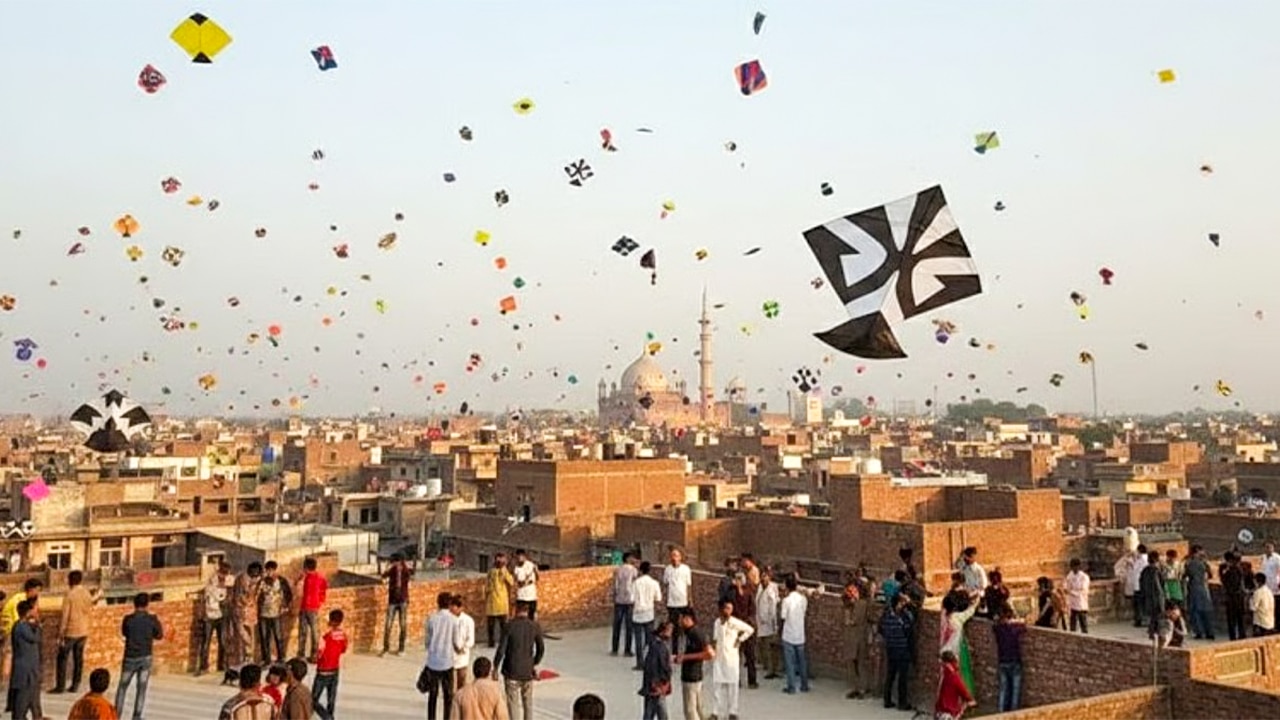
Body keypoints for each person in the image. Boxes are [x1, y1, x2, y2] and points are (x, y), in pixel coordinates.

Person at [494, 600, 544, 720]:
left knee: (513, 704)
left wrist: (495, 667)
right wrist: (534, 662)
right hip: (527, 670)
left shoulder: (509, 626)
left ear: (515, 610)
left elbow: (501, 650)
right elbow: (541, 649)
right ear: (527, 611)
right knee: (528, 703)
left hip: (512, 670)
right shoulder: (534, 626)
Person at [116, 593, 162, 720]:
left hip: (130, 656)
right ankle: (137, 716)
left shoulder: (128, 619)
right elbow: (159, 635)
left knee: (122, 687)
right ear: (147, 604)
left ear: (134, 604)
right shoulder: (152, 619)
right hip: (145, 656)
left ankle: (116, 715)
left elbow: (124, 633)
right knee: (141, 688)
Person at [54, 570, 100, 694]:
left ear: (70, 580)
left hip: (71, 631)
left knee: (62, 658)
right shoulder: (86, 593)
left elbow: (65, 615)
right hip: (83, 630)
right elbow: (91, 605)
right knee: (78, 658)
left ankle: (60, 686)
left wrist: (60, 633)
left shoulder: (70, 595)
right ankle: (75, 685)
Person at [0, 578, 40, 713]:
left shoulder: (21, 599)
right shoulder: (20, 601)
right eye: (37, 590)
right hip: (13, 633)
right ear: (31, 589)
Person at [710, 600, 752, 720]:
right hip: (719, 659)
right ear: (721, 609)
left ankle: (733, 712)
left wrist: (740, 639)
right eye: (726, 608)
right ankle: (715, 712)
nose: (728, 611)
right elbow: (715, 638)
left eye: (730, 609)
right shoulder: (717, 623)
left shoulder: (735, 622)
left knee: (733, 687)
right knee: (717, 686)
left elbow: (749, 630)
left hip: (732, 659)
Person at [424, 592, 459, 720]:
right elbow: (456, 641)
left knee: (432, 694)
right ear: (449, 604)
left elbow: (427, 641)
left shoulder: (431, 618)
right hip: (447, 661)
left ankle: (431, 718)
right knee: (448, 695)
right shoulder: (454, 620)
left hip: (433, 661)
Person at [672, 610, 711, 720]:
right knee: (698, 708)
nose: (679, 622)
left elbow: (709, 653)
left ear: (687, 619)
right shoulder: (688, 633)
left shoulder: (695, 633)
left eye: (681, 619)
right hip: (691, 675)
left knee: (690, 710)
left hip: (692, 676)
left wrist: (685, 657)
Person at [940, 591, 979, 696]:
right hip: (954, 652)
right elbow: (969, 612)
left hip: (945, 651)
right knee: (958, 678)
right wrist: (975, 602)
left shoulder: (944, 616)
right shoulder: (956, 617)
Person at [878, 593, 913, 712]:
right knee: (902, 678)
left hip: (890, 647)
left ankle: (887, 700)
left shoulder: (886, 614)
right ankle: (902, 702)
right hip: (902, 648)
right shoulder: (903, 616)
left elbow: (880, 629)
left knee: (890, 675)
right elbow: (909, 630)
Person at [312, 609, 348, 720]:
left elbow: (318, 655)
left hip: (323, 670)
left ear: (331, 621)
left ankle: (327, 717)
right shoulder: (343, 636)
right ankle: (330, 715)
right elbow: (343, 650)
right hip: (334, 669)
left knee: (313, 700)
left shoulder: (325, 638)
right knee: (331, 699)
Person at [9, 599, 41, 720]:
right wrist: (38, 625)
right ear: (27, 612)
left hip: (29, 672)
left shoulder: (22, 626)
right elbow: (35, 638)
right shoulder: (22, 627)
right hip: (25, 673)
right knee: (21, 707)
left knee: (33, 704)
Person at [198, 562, 231, 676]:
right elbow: (220, 597)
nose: (224, 576)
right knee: (206, 642)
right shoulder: (212, 582)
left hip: (221, 615)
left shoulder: (225, 582)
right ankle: (203, 666)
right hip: (210, 615)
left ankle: (222, 665)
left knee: (223, 641)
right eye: (223, 573)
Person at [840, 579, 871, 700]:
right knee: (852, 664)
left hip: (859, 637)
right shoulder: (848, 605)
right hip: (852, 637)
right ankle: (855, 688)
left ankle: (861, 688)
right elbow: (846, 620)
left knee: (860, 664)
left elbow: (854, 620)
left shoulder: (862, 604)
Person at [778, 575, 809, 694]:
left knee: (790, 662)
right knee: (802, 661)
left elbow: (783, 618)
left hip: (789, 634)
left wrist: (780, 631)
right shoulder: (803, 599)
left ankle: (791, 686)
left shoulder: (786, 600)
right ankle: (804, 685)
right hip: (800, 634)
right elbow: (804, 613)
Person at [257, 561, 292, 664]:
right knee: (264, 637)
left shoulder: (281, 581)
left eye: (272, 570)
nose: (270, 572)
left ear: (275, 570)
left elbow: (288, 594)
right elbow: (257, 596)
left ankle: (281, 658)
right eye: (268, 570)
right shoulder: (262, 582)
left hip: (276, 613)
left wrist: (285, 606)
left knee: (278, 636)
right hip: (263, 613)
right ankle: (266, 659)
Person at [993, 606, 1025, 712]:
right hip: (1014, 660)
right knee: (1015, 690)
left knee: (1003, 689)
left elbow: (995, 625)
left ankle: (1001, 713)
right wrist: (1017, 620)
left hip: (1002, 661)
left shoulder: (998, 629)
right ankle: (1013, 714)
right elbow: (1023, 626)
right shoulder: (1014, 628)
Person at [631, 561, 662, 671]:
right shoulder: (654, 583)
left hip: (637, 614)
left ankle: (640, 663)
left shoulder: (636, 583)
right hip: (649, 614)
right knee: (650, 640)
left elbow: (631, 599)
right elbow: (658, 598)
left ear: (640, 570)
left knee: (638, 640)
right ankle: (651, 661)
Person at [231, 562, 264, 669]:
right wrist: (256, 584)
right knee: (242, 635)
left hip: (250, 611)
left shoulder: (253, 579)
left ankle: (249, 657)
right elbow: (246, 594)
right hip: (241, 610)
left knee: (250, 634)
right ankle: (243, 658)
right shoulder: (243, 579)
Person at [381, 553, 414, 657]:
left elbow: (410, 575)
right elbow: (383, 575)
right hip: (393, 600)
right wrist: (388, 567)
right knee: (388, 625)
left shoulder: (405, 570)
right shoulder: (393, 570)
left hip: (403, 600)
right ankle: (386, 648)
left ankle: (401, 648)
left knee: (403, 625)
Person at [296, 557, 327, 661]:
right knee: (307, 632)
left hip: (311, 608)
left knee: (312, 633)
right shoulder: (310, 578)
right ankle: (303, 654)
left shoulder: (316, 578)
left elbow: (323, 592)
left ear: (306, 568)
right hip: (307, 607)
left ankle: (310, 655)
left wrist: (319, 603)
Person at [640, 621, 673, 720]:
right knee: (653, 711)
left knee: (656, 710)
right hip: (657, 685)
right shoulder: (659, 647)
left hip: (652, 683)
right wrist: (660, 683)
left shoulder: (652, 643)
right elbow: (659, 666)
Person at [1182, 545, 1215, 640]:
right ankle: (1210, 632)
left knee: (1195, 612)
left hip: (1194, 589)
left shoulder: (1189, 564)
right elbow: (1210, 576)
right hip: (1204, 589)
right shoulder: (1204, 563)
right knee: (1206, 612)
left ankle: (1199, 632)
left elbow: (1185, 576)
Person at [662, 550, 692, 653]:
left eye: (676, 555)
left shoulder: (686, 569)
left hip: (683, 602)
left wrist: (690, 600)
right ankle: (674, 651)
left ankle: (688, 648)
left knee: (687, 626)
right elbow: (665, 584)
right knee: (674, 627)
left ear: (680, 557)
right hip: (672, 603)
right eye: (673, 555)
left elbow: (688, 585)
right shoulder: (668, 569)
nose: (674, 557)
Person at [484, 553, 516, 649]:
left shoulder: (504, 571)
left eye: (502, 560)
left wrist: (504, 570)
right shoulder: (491, 572)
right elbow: (487, 586)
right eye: (499, 560)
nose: (500, 562)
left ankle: (504, 642)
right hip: (492, 601)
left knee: (503, 625)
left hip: (502, 602)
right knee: (491, 625)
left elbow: (511, 582)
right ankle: (491, 642)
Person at [610, 552, 638, 657]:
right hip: (630, 600)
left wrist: (615, 596)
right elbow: (635, 584)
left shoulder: (618, 570)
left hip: (619, 600)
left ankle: (614, 649)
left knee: (617, 625)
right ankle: (627, 650)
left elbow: (616, 585)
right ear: (628, 558)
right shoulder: (634, 570)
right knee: (629, 626)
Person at [754, 568, 780, 680]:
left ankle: (771, 670)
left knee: (770, 647)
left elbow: (773, 608)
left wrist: (773, 623)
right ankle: (764, 665)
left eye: (765, 576)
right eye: (762, 576)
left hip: (769, 622)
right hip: (760, 621)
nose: (763, 578)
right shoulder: (760, 587)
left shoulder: (772, 589)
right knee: (762, 645)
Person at [935, 650, 976, 720]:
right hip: (948, 714)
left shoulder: (946, 676)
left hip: (942, 713)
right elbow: (965, 694)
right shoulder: (953, 676)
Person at [451, 595, 477, 690]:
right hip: (450, 655)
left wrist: (463, 648)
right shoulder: (449, 619)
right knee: (451, 683)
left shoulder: (468, 620)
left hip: (462, 655)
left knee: (462, 680)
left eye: (454, 607)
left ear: (460, 608)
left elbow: (471, 639)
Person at [1221, 551, 1248, 640]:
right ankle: (1241, 635)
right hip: (1238, 597)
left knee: (1234, 619)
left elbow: (1228, 583)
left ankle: (1236, 636)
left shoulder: (1233, 571)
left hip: (1233, 597)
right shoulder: (1238, 569)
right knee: (1239, 618)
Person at [1064, 558, 1091, 634]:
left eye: (1075, 567)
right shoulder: (1070, 575)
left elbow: (1083, 590)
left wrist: (1071, 592)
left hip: (1081, 603)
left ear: (1078, 567)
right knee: (1072, 623)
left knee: (1083, 624)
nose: (1073, 569)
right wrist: (1066, 589)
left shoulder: (1084, 577)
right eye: (1072, 567)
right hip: (1072, 603)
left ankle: (1085, 637)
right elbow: (1066, 585)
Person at [512, 550, 539, 621]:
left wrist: (524, 583)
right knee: (519, 615)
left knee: (531, 615)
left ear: (524, 556)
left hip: (531, 595)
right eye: (517, 557)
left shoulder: (530, 565)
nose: (519, 558)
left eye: (520, 556)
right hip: (521, 595)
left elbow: (535, 579)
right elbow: (516, 580)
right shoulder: (516, 568)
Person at [1250, 572, 1274, 637]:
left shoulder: (1258, 592)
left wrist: (1251, 598)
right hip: (1270, 622)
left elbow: (1253, 607)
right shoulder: (1269, 591)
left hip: (1261, 623)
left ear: (1258, 582)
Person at [1263, 542, 1280, 630]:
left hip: (1276, 587)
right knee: (1268, 608)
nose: (1268, 549)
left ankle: (1278, 626)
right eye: (1266, 547)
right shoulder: (1264, 558)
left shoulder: (1277, 558)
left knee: (1277, 608)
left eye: (1270, 547)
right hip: (1267, 587)